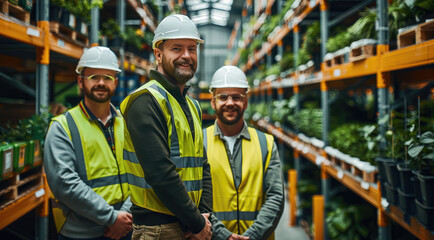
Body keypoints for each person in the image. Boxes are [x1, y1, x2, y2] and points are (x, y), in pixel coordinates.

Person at [120, 14, 212, 240]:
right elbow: (160, 173)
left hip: (189, 225)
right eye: (177, 49)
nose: (186, 56)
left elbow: (202, 165)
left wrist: (203, 215)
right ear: (158, 55)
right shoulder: (145, 101)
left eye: (192, 49)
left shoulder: (191, 105)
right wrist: (197, 222)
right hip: (158, 229)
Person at [44, 46, 132, 240]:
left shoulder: (126, 123)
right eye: (93, 77)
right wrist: (111, 218)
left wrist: (125, 215)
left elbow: (141, 171)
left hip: (125, 227)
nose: (101, 83)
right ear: (80, 82)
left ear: (115, 83)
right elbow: (64, 183)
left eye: (107, 78)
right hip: (81, 233)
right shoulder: (62, 126)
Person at [203, 66, 284, 240]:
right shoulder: (199, 142)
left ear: (245, 102)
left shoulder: (266, 143)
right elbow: (195, 198)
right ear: (213, 102)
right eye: (223, 97)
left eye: (236, 97)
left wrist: (252, 236)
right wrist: (224, 236)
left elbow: (276, 197)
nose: (230, 103)